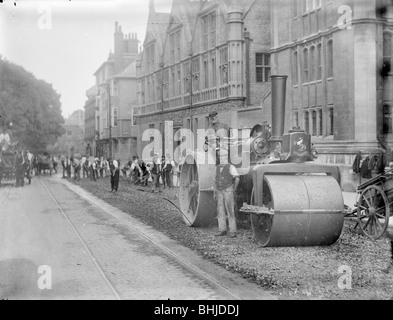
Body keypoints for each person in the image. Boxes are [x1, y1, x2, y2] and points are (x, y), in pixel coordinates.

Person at [212, 148, 240, 238]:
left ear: (226, 157)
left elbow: (237, 178)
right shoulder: (217, 168)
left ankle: (233, 231)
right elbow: (215, 181)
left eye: (223, 156)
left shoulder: (231, 167)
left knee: (230, 210)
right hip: (219, 191)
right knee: (220, 210)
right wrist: (214, 192)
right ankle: (222, 229)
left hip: (228, 190)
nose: (222, 158)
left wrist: (234, 189)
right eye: (220, 156)